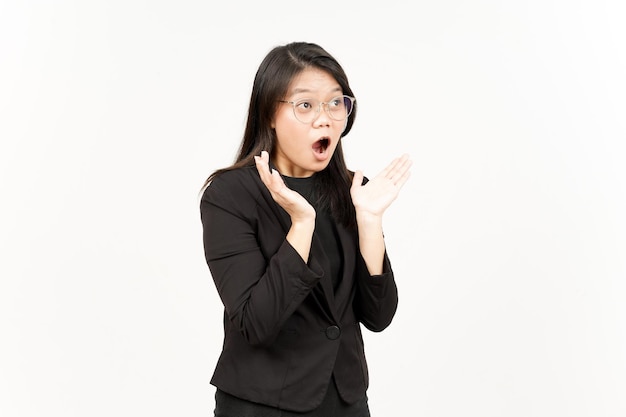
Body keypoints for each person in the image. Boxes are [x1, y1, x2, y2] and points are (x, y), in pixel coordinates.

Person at [199, 41, 411, 417]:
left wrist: (370, 222)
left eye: (335, 103)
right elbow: (256, 323)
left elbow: (379, 316)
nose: (324, 118)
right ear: (269, 114)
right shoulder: (230, 195)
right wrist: (301, 223)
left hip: (345, 403)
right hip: (262, 406)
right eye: (305, 105)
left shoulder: (354, 191)